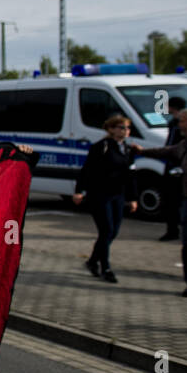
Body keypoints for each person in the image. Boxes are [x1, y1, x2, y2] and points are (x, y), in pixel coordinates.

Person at [135, 108, 187, 296]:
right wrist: (143, 151)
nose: (179, 126)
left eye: (182, 122)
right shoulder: (186, 143)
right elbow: (168, 151)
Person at [73, 114, 138, 284]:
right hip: (100, 194)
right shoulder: (101, 147)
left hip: (118, 194)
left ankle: (92, 261)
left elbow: (130, 175)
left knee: (113, 232)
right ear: (111, 129)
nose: (125, 131)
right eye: (121, 127)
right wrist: (79, 190)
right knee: (106, 230)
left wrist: (132, 198)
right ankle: (106, 267)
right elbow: (87, 170)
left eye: (128, 128)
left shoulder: (128, 149)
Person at [159, 96, 187, 241]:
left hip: (175, 166)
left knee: (172, 201)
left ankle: (173, 230)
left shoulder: (177, 124)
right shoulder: (184, 122)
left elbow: (171, 145)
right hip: (181, 166)